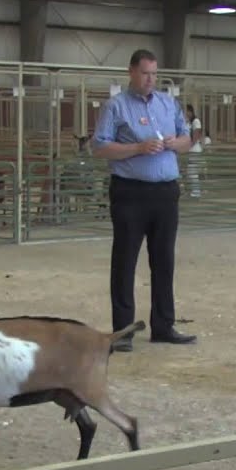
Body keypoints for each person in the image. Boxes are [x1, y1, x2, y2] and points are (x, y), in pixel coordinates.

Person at [92, 49, 197, 352]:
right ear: (131, 72)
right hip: (130, 192)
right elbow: (99, 148)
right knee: (125, 261)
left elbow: (188, 138)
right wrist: (138, 147)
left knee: (164, 261)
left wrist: (177, 143)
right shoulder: (116, 107)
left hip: (165, 192)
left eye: (154, 73)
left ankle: (163, 326)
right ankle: (123, 332)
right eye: (145, 73)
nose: (150, 79)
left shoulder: (169, 104)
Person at [185, 104, 203, 199]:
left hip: (195, 150)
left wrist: (190, 145)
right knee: (190, 171)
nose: (186, 113)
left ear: (191, 111)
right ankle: (193, 190)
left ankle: (196, 191)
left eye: (187, 111)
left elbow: (196, 134)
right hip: (190, 149)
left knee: (193, 171)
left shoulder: (196, 121)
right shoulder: (188, 122)